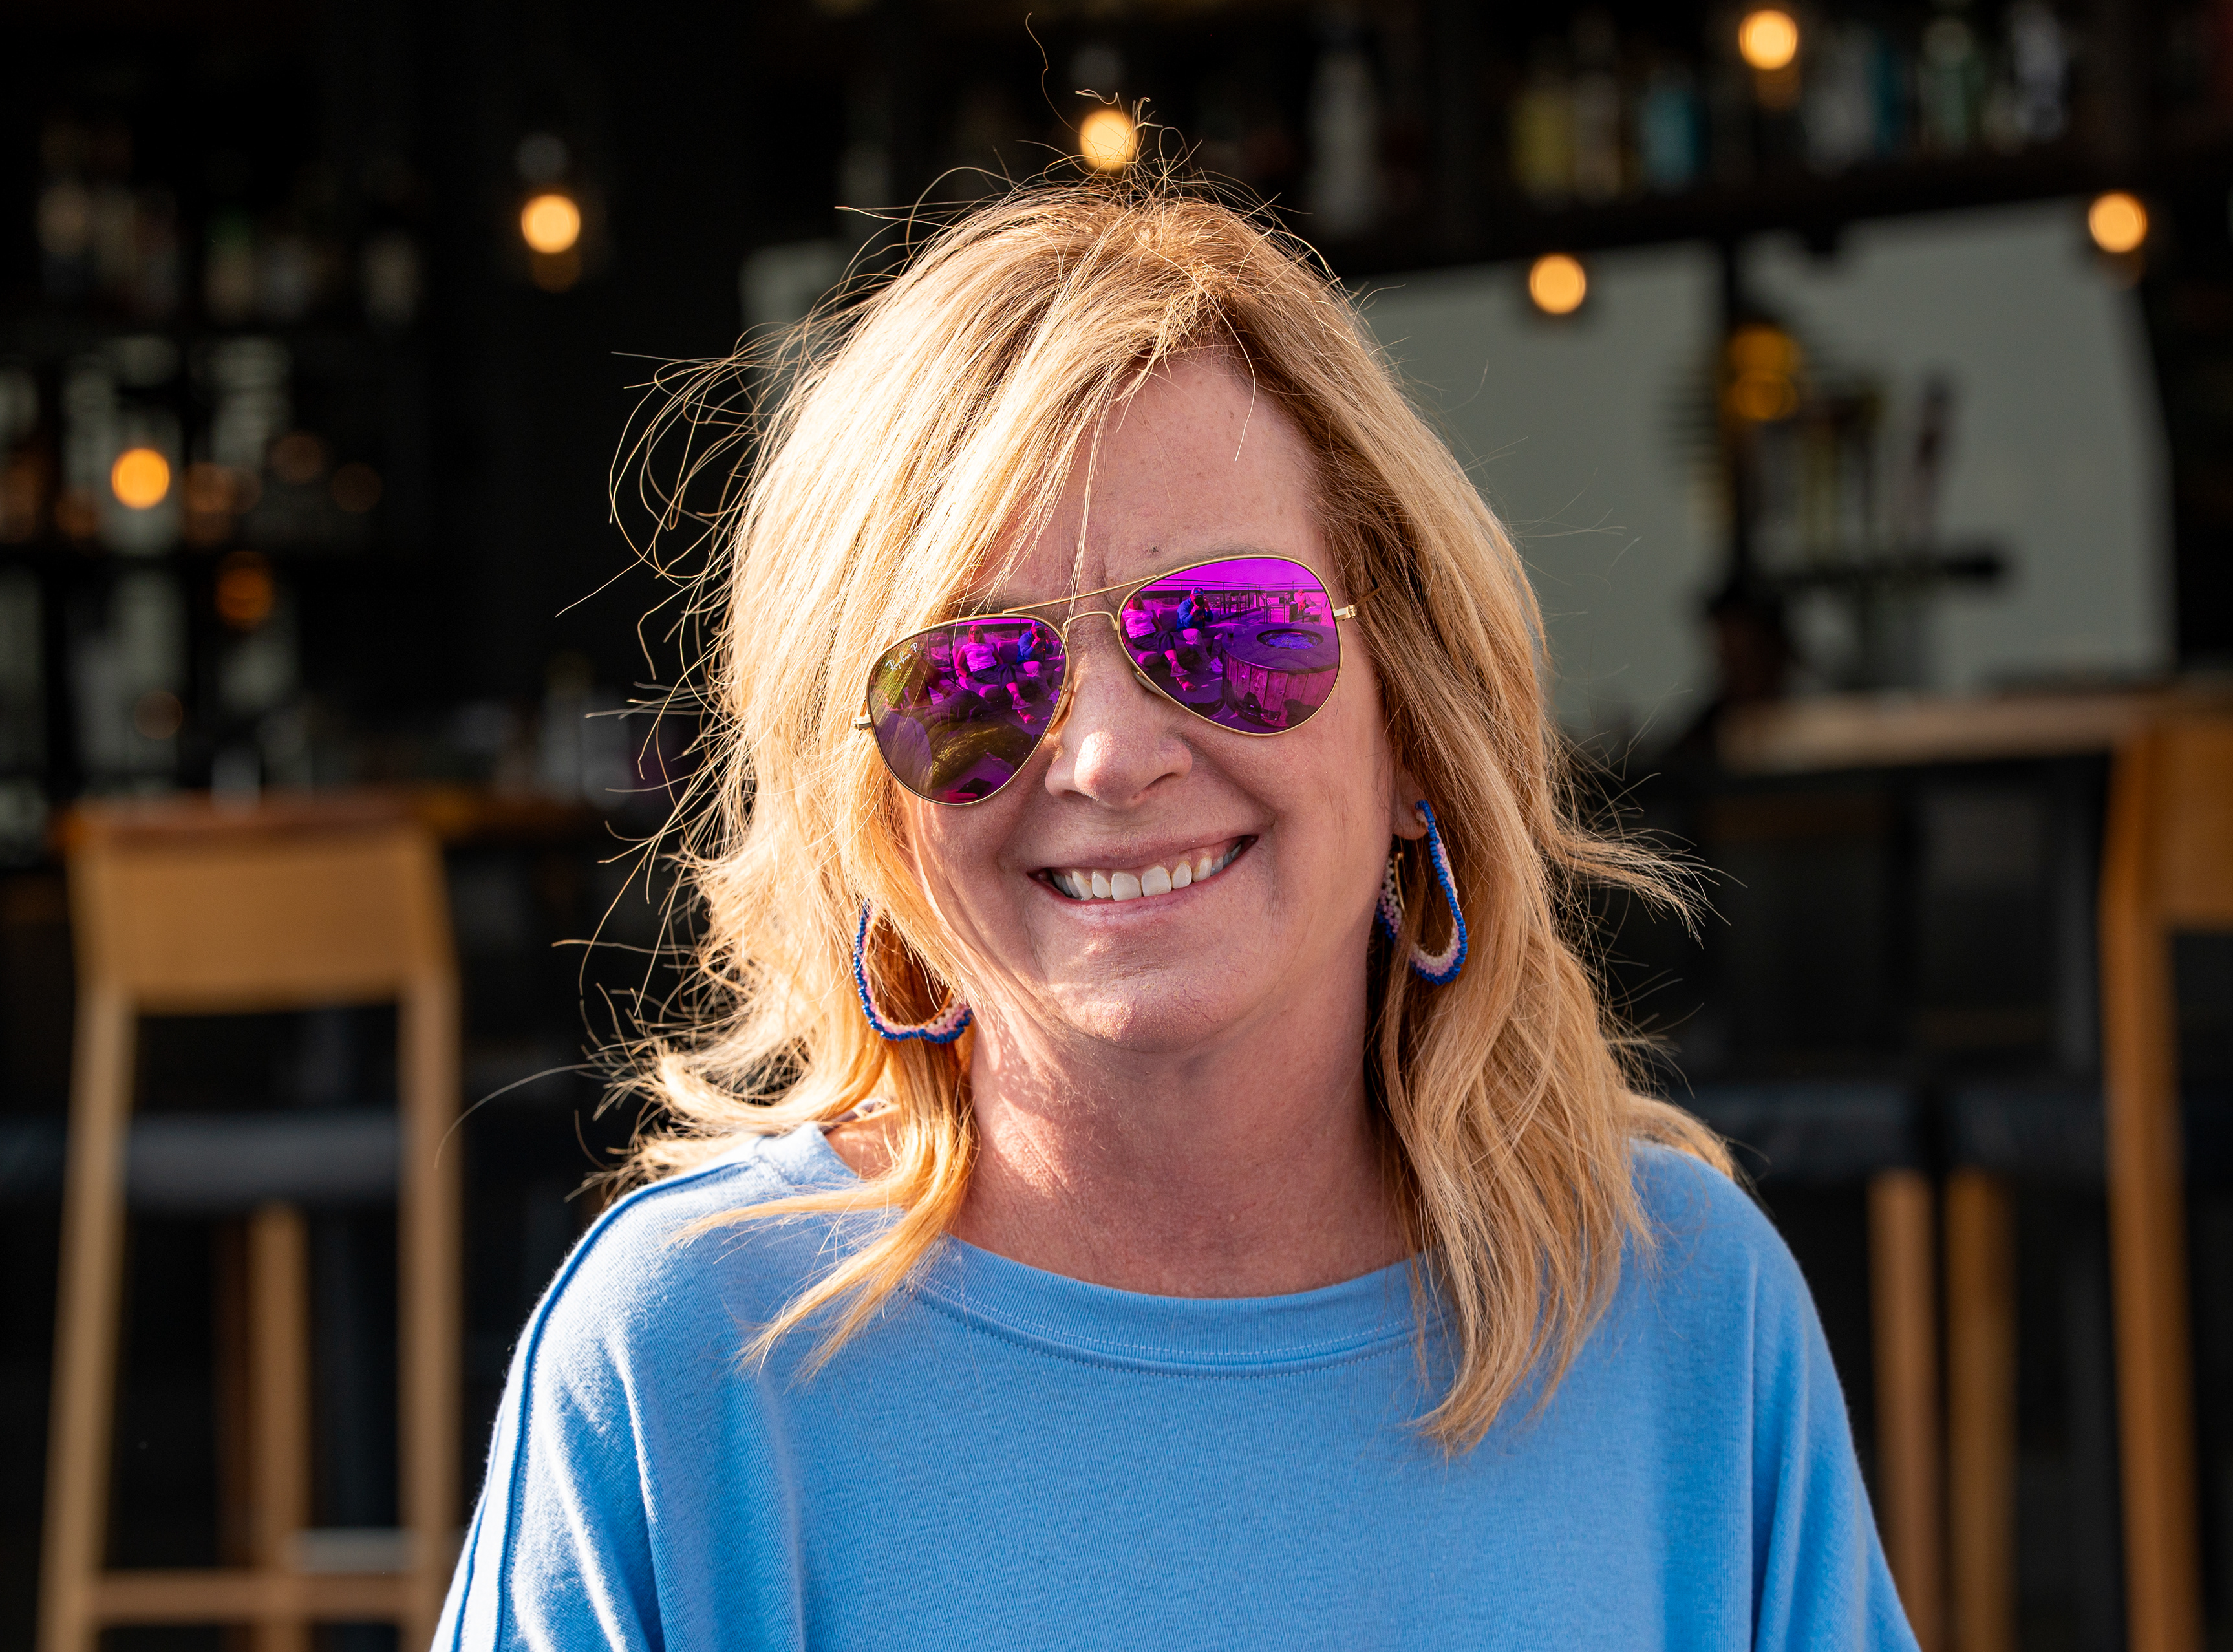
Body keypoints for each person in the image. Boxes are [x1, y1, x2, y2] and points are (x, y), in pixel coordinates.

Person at [436, 180, 1914, 1649]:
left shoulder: (1680, 1308)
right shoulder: (687, 1359)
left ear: (1415, 725)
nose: (1106, 756)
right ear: (871, 811)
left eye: (1224, 631)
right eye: (971, 677)